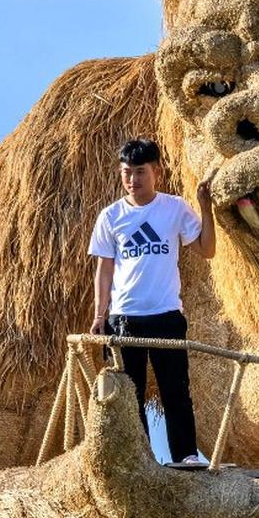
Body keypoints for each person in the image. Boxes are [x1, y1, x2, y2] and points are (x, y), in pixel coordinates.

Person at [87, 138, 216, 465]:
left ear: (156, 171)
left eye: (140, 172)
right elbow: (104, 269)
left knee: (176, 391)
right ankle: (140, 459)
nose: (133, 180)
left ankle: (186, 456)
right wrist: (99, 314)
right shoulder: (110, 216)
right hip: (125, 318)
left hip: (166, 315)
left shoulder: (174, 208)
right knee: (130, 396)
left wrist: (205, 209)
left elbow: (206, 249)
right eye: (126, 173)